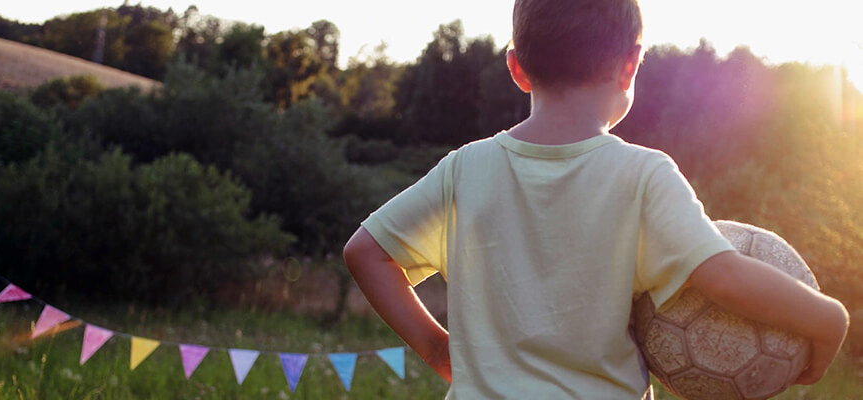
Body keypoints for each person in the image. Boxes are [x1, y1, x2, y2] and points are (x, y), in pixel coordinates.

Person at [343, 0, 850, 398]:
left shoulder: (466, 168)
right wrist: (829, 320)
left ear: (517, 68)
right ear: (630, 65)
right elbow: (721, 275)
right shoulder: (644, 174)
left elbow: (365, 251)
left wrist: (436, 347)